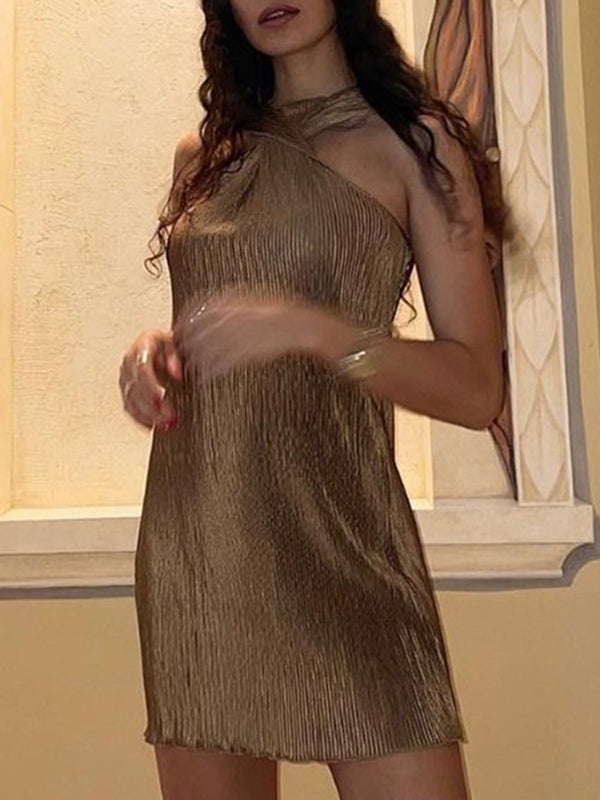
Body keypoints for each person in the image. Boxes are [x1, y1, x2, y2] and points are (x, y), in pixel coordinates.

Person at [118, 1, 506, 798]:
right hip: (205, 545)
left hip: (346, 539)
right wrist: (153, 355)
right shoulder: (206, 156)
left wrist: (318, 333)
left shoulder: (414, 145)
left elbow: (476, 389)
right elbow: (213, 332)